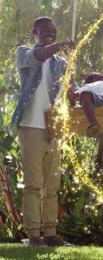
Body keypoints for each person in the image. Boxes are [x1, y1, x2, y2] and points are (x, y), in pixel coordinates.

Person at [8, 16, 76, 247]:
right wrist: (59, 45)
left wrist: (73, 82)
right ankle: (34, 235)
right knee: (33, 184)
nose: (50, 33)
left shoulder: (60, 63)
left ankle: (50, 233)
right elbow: (38, 56)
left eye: (53, 31)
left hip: (53, 129)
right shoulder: (24, 53)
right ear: (34, 31)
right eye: (45, 30)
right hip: (31, 127)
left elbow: (69, 93)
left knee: (52, 186)